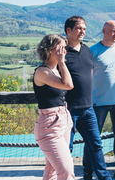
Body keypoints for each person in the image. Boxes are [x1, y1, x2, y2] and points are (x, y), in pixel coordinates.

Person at [84, 20, 115, 180]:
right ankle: (88, 172)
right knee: (93, 138)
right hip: (97, 102)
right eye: (113, 31)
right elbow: (86, 75)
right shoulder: (92, 51)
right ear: (104, 31)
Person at [64, 16, 112, 180]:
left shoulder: (86, 50)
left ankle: (104, 177)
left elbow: (88, 74)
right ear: (68, 30)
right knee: (66, 148)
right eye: (78, 28)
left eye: (84, 28)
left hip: (87, 107)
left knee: (96, 145)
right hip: (67, 109)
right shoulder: (61, 52)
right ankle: (65, 176)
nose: (82, 31)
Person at [34, 34, 75, 180]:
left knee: (52, 170)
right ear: (50, 50)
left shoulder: (55, 71)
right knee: (66, 170)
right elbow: (69, 85)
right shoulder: (42, 71)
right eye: (61, 48)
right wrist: (62, 63)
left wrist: (60, 64)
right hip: (49, 124)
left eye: (66, 48)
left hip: (63, 119)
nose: (64, 51)